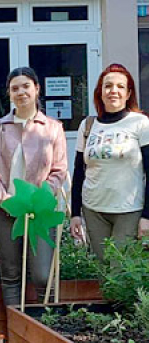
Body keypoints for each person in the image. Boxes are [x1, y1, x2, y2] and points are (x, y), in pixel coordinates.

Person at [0, 67, 67, 307]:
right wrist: (5, 200)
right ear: (9, 94)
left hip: (40, 212)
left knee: (43, 275)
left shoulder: (53, 128)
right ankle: (15, 332)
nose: (21, 92)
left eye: (26, 86)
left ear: (36, 89)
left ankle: (48, 330)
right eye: (15, 88)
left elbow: (59, 170)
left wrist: (38, 199)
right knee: (11, 275)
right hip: (3, 210)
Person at [70, 63, 149, 260]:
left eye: (120, 86)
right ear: (100, 92)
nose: (113, 91)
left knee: (119, 271)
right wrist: (75, 214)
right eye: (108, 86)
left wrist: (147, 216)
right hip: (94, 210)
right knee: (103, 272)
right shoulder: (88, 125)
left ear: (128, 93)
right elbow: (79, 172)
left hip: (128, 210)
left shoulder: (140, 123)